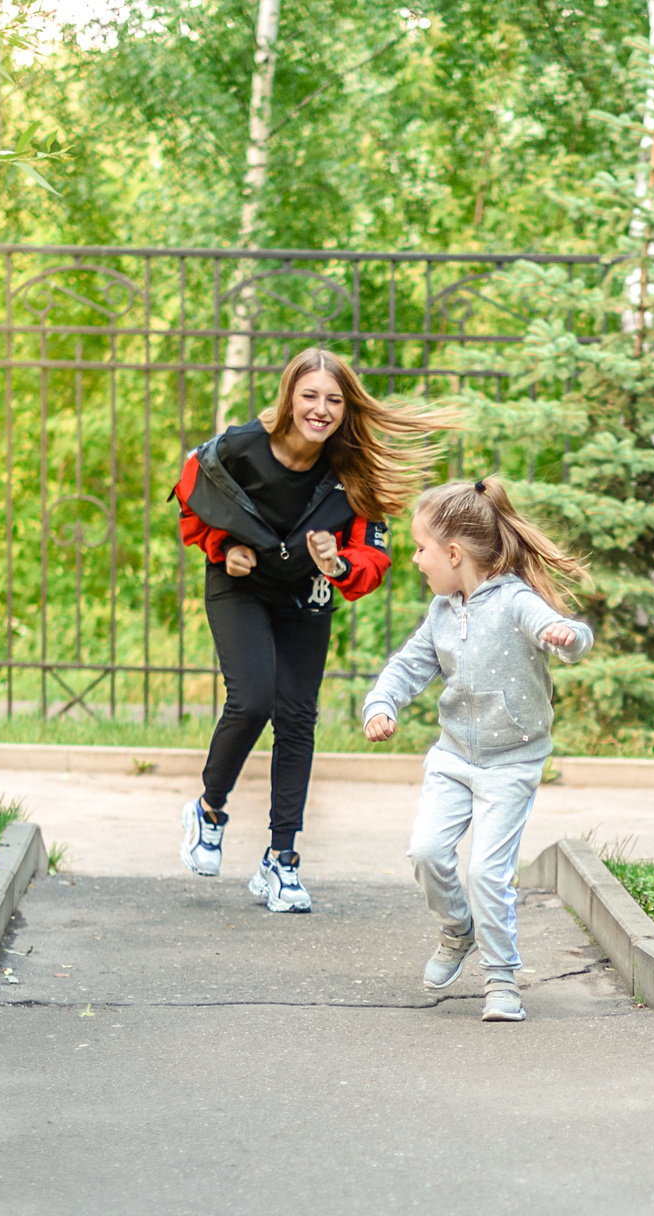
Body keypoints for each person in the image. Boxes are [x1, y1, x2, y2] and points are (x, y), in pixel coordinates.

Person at [173, 349, 451, 912]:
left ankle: (281, 860)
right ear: (288, 397)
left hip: (306, 592)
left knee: (297, 717)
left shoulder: (353, 473)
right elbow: (192, 503)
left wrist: (337, 563)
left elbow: (371, 561)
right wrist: (223, 548)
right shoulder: (238, 448)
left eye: (334, 400)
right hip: (241, 586)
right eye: (310, 396)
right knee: (252, 700)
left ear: (346, 409)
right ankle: (208, 810)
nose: (321, 409)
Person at [362, 476, 594, 1022]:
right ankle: (456, 931)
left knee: (487, 874)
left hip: (512, 762)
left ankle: (501, 979)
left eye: (420, 548)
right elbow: (408, 665)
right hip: (453, 758)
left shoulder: (516, 602)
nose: (414, 559)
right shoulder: (442, 611)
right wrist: (381, 704)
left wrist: (567, 637)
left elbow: (564, 631)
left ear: (453, 553)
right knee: (426, 852)